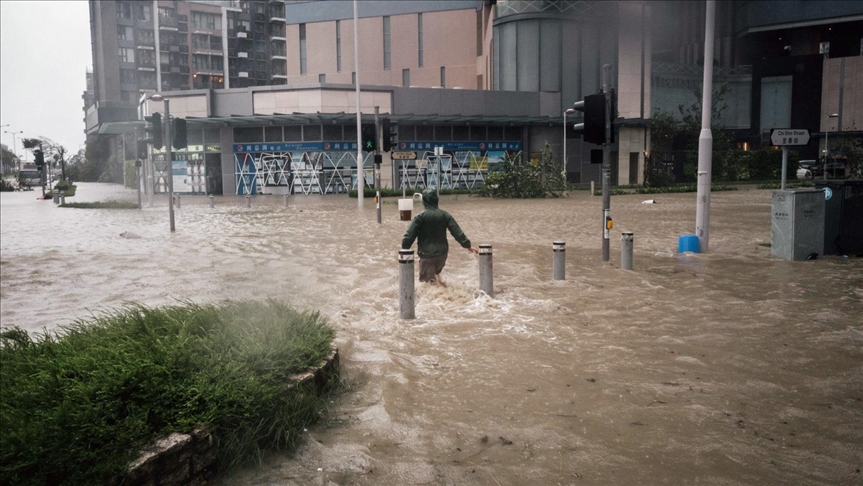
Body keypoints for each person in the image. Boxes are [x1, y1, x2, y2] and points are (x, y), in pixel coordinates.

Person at [401, 188, 478, 287]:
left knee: (428, 284)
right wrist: (468, 246)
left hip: (427, 255)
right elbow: (457, 232)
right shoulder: (445, 215)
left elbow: (409, 236)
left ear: (424, 201)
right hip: (442, 255)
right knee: (436, 278)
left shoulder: (420, 217)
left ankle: (439, 300)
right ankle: (447, 295)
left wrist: (404, 250)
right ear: (436, 200)